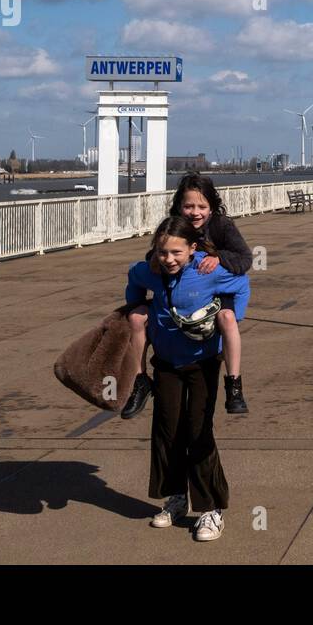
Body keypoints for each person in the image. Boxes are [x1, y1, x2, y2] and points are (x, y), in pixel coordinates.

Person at [126, 214, 250, 540]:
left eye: (176, 253)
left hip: (203, 363)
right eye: (162, 252)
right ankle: (177, 498)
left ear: (192, 249)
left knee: (198, 430)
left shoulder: (208, 272)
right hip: (166, 363)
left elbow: (242, 284)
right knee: (167, 429)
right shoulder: (150, 270)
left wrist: (229, 317)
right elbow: (133, 278)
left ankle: (211, 510)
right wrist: (136, 309)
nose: (169, 259)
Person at [122, 173, 253, 419]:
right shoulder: (174, 226)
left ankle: (234, 383)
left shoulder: (222, 226)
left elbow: (245, 259)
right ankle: (140, 380)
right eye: (188, 206)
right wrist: (136, 301)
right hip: (177, 289)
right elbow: (159, 252)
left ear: (212, 207)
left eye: (202, 207)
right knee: (137, 319)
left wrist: (220, 258)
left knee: (226, 318)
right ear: (178, 207)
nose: (195, 212)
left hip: (216, 288)